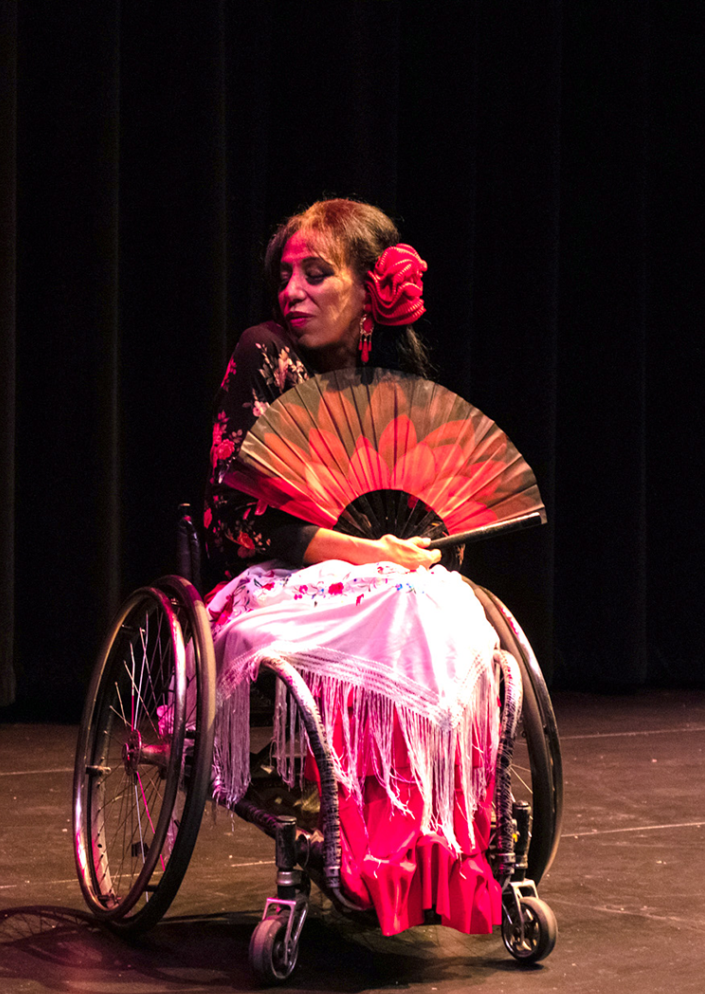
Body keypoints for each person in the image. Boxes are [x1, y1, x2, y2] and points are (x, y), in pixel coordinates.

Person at [203, 199, 505, 936]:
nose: (293, 291)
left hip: (383, 578)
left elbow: (440, 514)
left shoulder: (392, 381)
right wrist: (370, 554)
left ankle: (429, 844)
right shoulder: (263, 355)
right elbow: (241, 521)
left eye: (316, 274)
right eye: (287, 274)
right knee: (399, 599)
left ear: (370, 290)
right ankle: (375, 848)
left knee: (443, 606)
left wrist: (421, 553)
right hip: (277, 577)